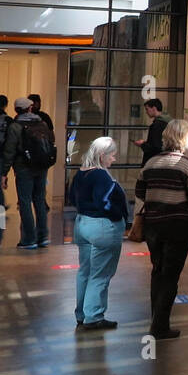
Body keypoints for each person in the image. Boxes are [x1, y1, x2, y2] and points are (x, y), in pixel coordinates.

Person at [133, 119, 188, 341]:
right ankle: (160, 326)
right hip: (178, 227)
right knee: (171, 276)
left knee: (157, 270)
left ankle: (156, 318)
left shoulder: (151, 163)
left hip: (154, 226)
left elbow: (140, 192)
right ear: (183, 139)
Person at [68, 137, 127, 331]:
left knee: (85, 270)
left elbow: (72, 198)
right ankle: (94, 316)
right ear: (102, 156)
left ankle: (82, 314)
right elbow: (105, 202)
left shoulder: (81, 174)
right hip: (102, 227)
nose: (114, 159)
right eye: (112, 155)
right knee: (100, 273)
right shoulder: (101, 176)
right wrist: (118, 215)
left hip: (82, 225)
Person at [3, 96, 56, 250]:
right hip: (41, 166)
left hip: (23, 167)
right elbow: (50, 142)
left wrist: (4, 172)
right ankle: (43, 236)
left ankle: (28, 239)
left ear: (16, 110)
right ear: (30, 108)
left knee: (25, 201)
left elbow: (9, 150)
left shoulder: (15, 126)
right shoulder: (42, 123)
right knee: (39, 199)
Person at [132, 98, 170, 164]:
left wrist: (142, 144)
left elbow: (155, 147)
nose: (146, 112)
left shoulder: (157, 125)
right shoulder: (168, 122)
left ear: (154, 108)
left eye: (147, 109)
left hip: (153, 161)